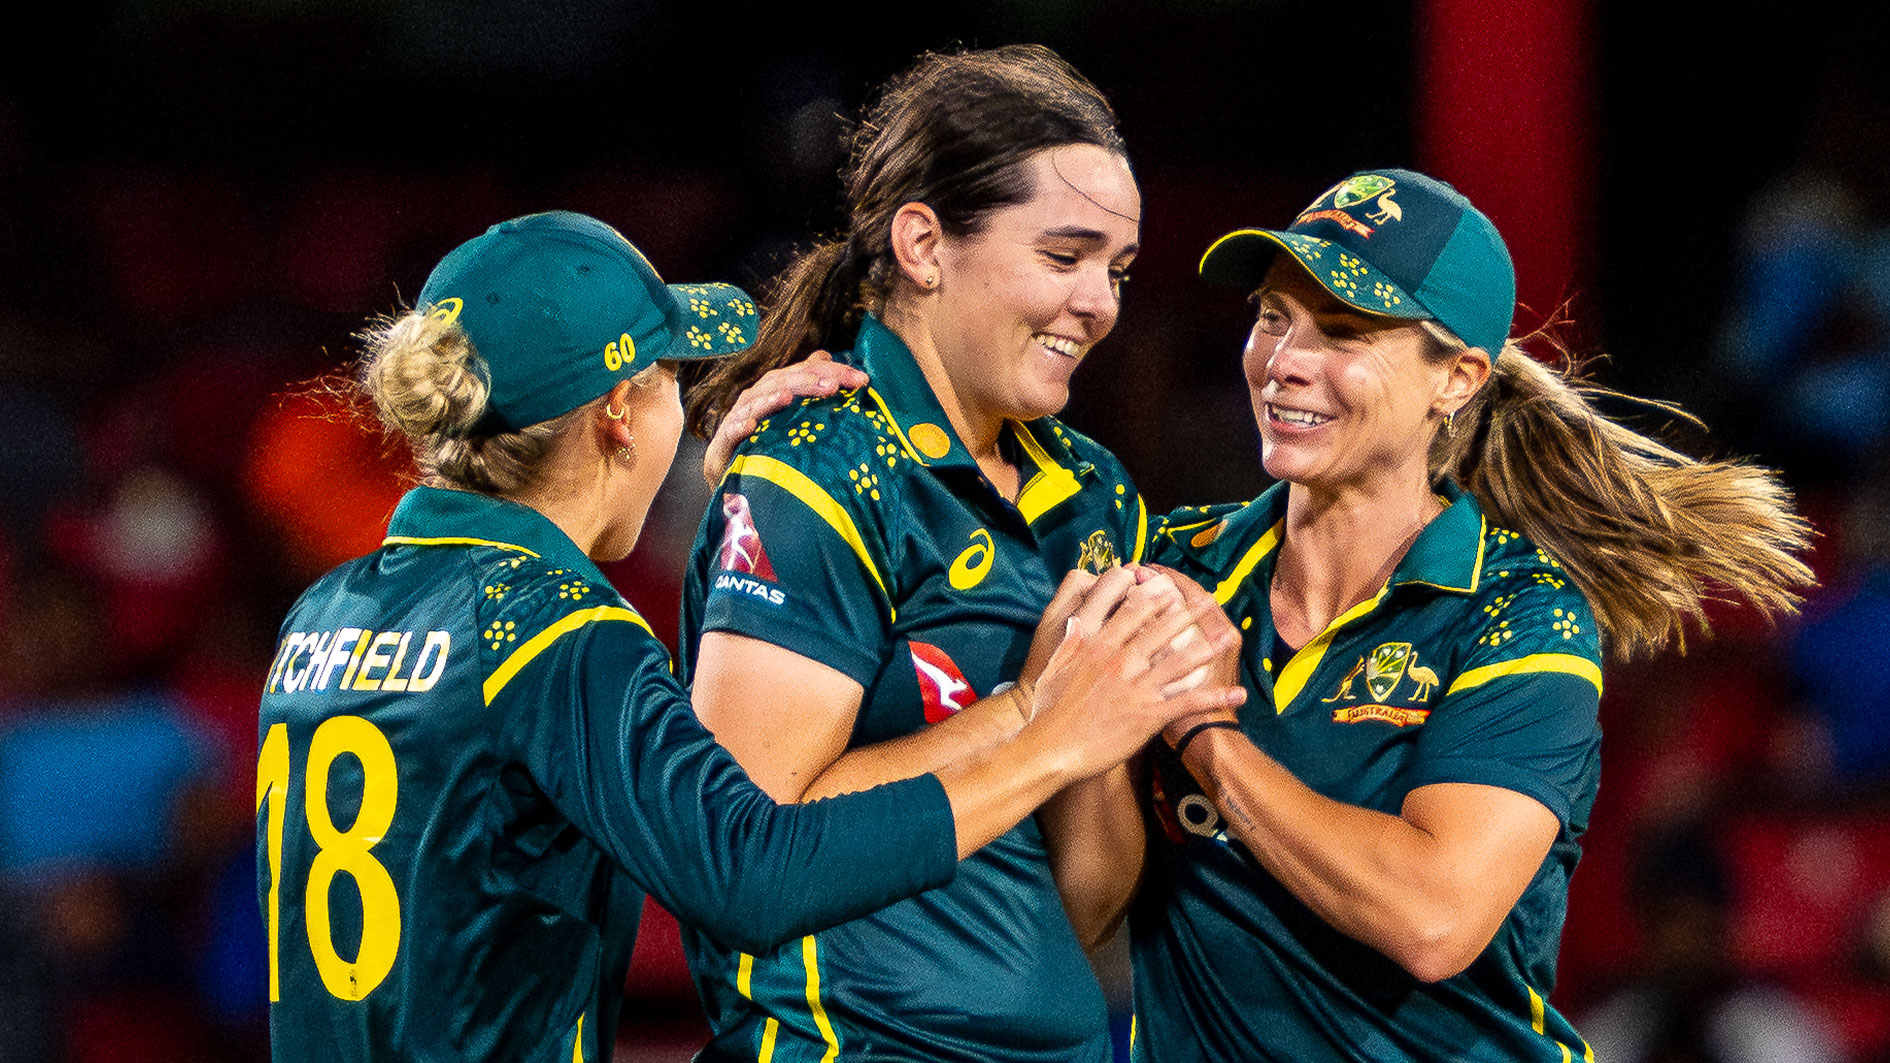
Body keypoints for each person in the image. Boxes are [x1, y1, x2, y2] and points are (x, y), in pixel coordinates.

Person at [710, 169, 1814, 1061]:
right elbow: (1084, 898)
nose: (1285, 364)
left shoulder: (1518, 612)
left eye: (1343, 330)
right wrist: (798, 443)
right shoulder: (1169, 563)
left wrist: (1205, 737)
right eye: (1274, 319)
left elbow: (1434, 916)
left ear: (1457, 378)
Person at [255, 210, 1238, 1063]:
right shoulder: (558, 630)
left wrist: (751, 511)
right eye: (674, 381)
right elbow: (751, 873)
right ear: (618, 414)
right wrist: (1044, 731)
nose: (687, 415)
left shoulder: (326, 612)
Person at [679, 44, 1172, 1062]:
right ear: (923, 244)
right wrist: (1034, 717)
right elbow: (743, 843)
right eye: (1065, 257)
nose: (1100, 304)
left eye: (1117, 270)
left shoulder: (1097, 495)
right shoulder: (820, 469)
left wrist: (1095, 736)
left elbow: (1082, 898)